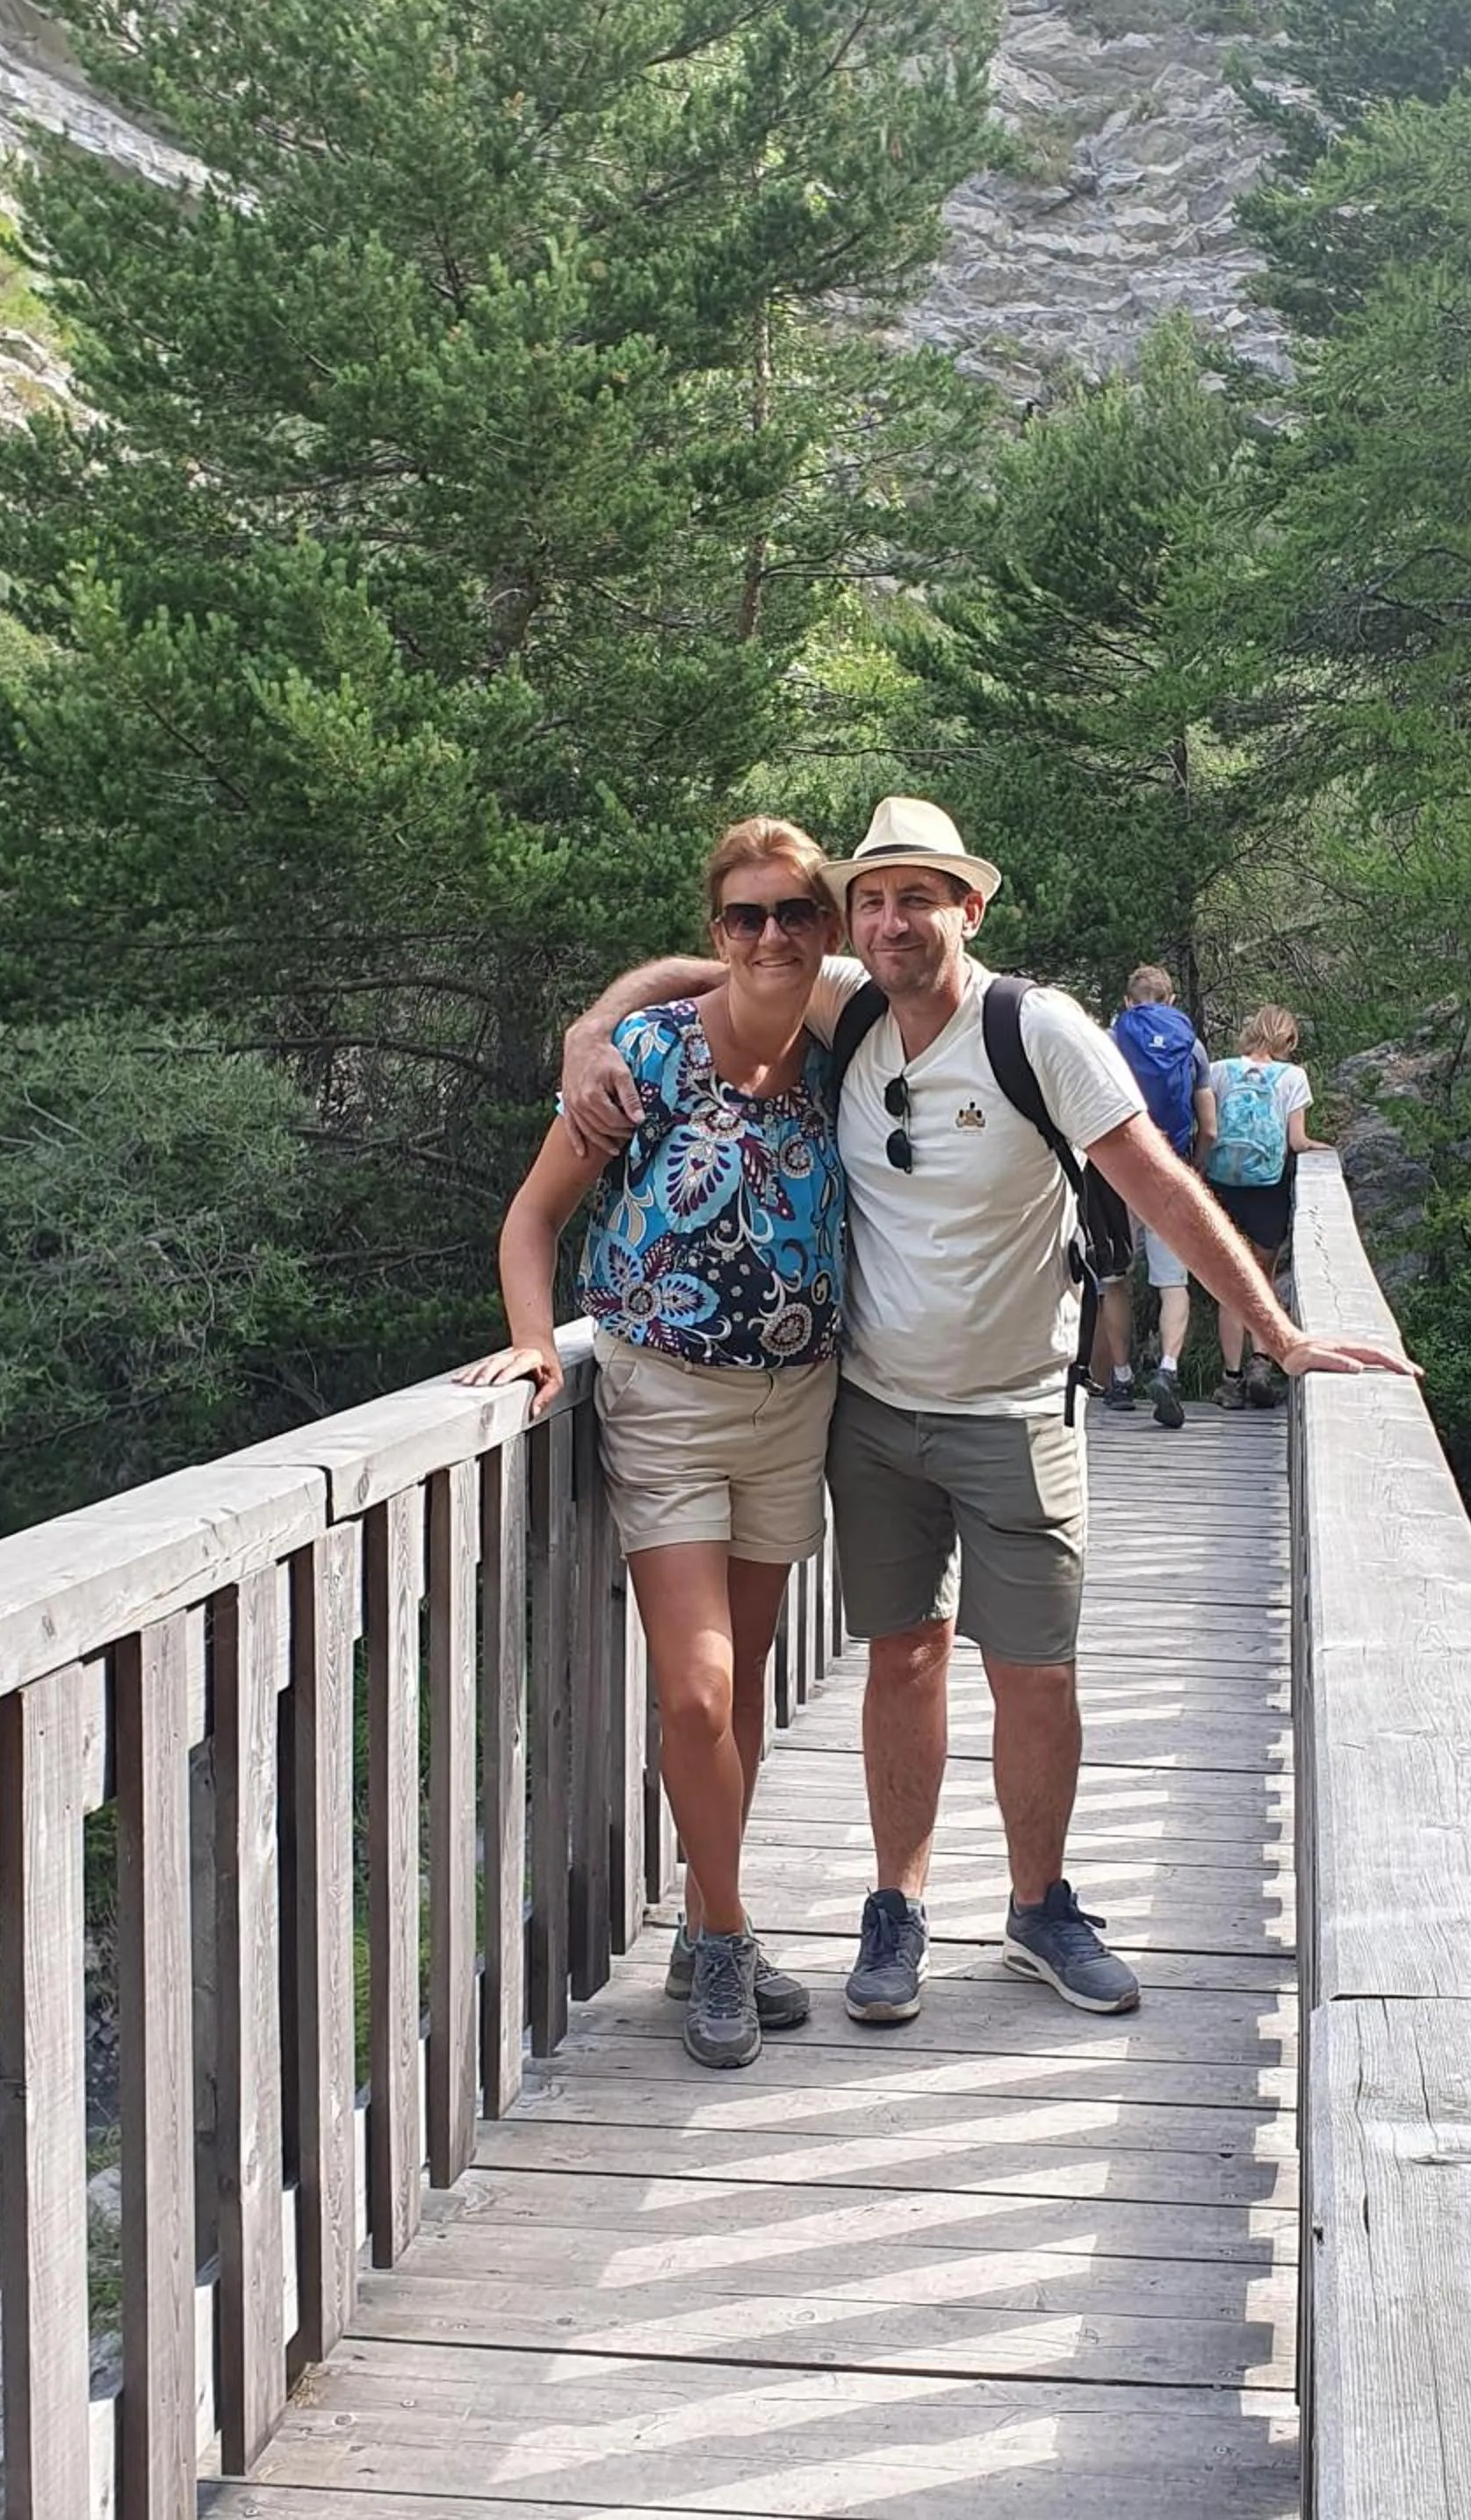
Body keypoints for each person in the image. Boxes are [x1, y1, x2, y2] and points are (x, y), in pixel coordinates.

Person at [560, 797, 1416, 2034]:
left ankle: (1039, 1906)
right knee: (903, 1657)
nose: (890, 920)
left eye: (918, 897)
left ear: (970, 907)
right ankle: (896, 1910)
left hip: (1019, 1408)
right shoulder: (846, 999)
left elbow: (1161, 1187)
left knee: (1035, 1672)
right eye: (872, 898)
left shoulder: (1038, 1031)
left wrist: (1274, 1330)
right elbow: (722, 956)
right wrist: (595, 1024)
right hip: (872, 1408)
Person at [456, 817, 844, 2072]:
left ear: (827, 927)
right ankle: (724, 1938)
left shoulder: (851, 1048)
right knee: (701, 1691)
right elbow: (530, 1223)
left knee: (743, 1699)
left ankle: (702, 1925)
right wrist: (531, 1342)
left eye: (795, 911)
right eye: (746, 916)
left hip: (800, 1402)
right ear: (715, 930)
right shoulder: (647, 1060)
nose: (771, 934)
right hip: (664, 1396)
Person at [1092, 965, 1215, 1429]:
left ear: (1128, 1001)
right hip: (1169, 1170)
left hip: (1115, 1172)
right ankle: (1168, 1368)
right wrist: (1193, 1169)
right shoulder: (1192, 1047)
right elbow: (1210, 1127)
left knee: (1114, 1278)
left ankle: (1121, 1378)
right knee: (1172, 1281)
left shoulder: (1108, 1040)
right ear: (1172, 1000)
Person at [1201, 1004, 1324, 1410]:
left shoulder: (1219, 1071)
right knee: (1262, 1280)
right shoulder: (1293, 1077)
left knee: (1229, 1283)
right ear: (1288, 1040)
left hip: (1223, 1184)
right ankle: (1260, 1364)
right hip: (1267, 1189)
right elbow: (1298, 1141)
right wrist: (1320, 1148)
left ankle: (1231, 1381)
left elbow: (1207, 1127)